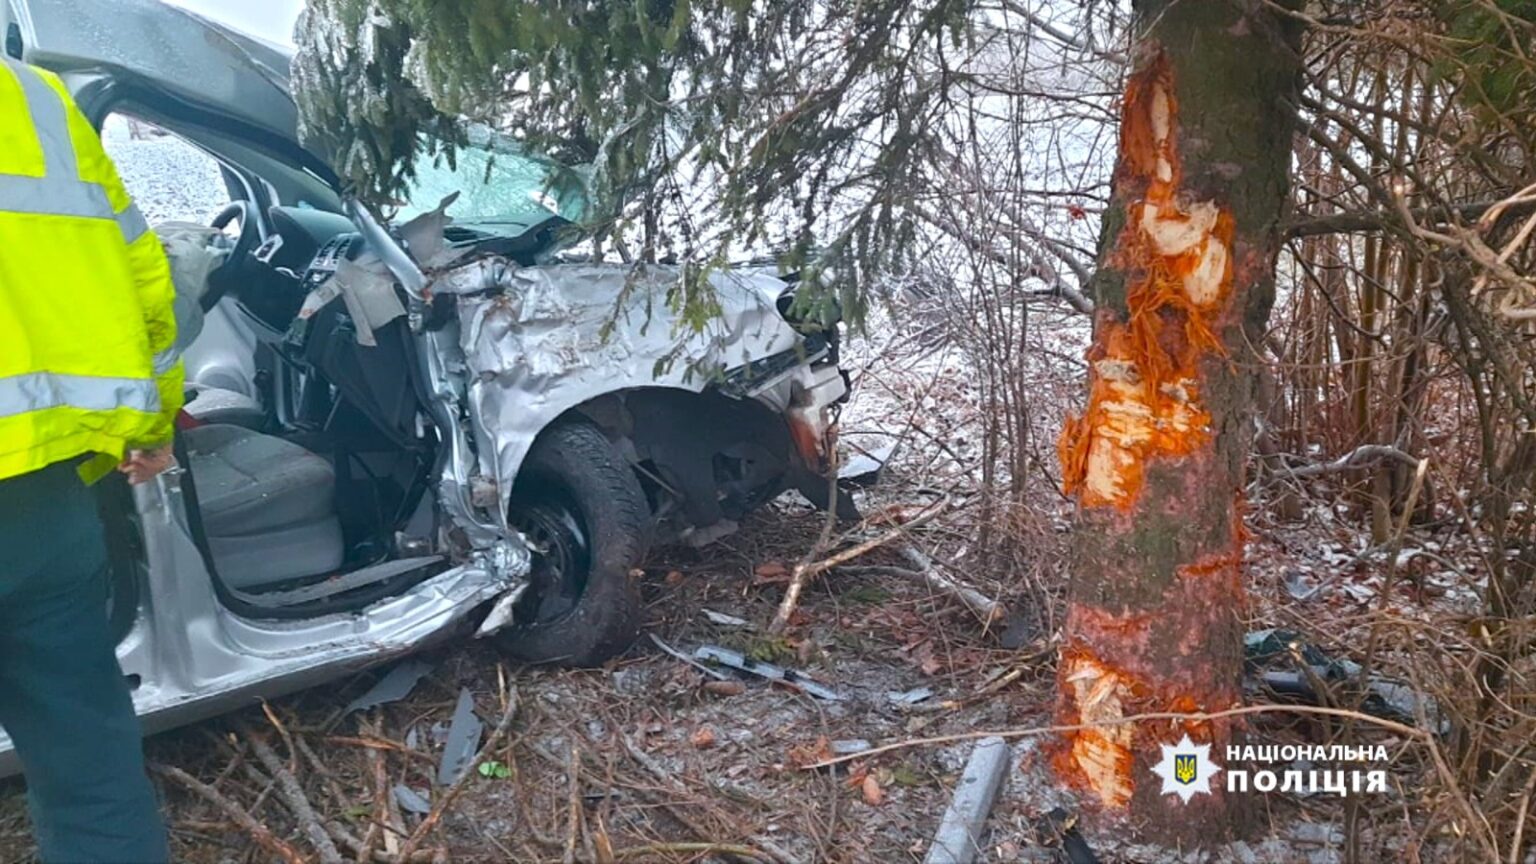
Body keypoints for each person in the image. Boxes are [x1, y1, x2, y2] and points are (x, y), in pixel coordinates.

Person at [0, 7, 182, 862]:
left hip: (44, 504)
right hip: (42, 513)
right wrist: (148, 431)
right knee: (88, 770)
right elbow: (145, 279)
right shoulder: (34, 101)